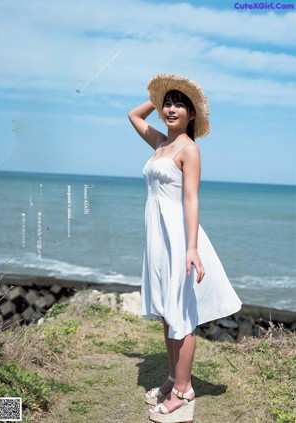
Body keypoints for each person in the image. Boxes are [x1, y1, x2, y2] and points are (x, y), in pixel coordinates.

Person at [128, 74, 242, 423]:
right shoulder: (161, 144)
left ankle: (184, 391)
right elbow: (134, 116)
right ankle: (172, 376)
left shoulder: (189, 149)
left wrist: (192, 249)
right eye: (168, 103)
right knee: (166, 313)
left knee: (182, 315)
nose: (171, 109)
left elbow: (191, 199)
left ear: (192, 114)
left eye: (180, 104)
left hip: (180, 238)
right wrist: (157, 93)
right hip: (158, 238)